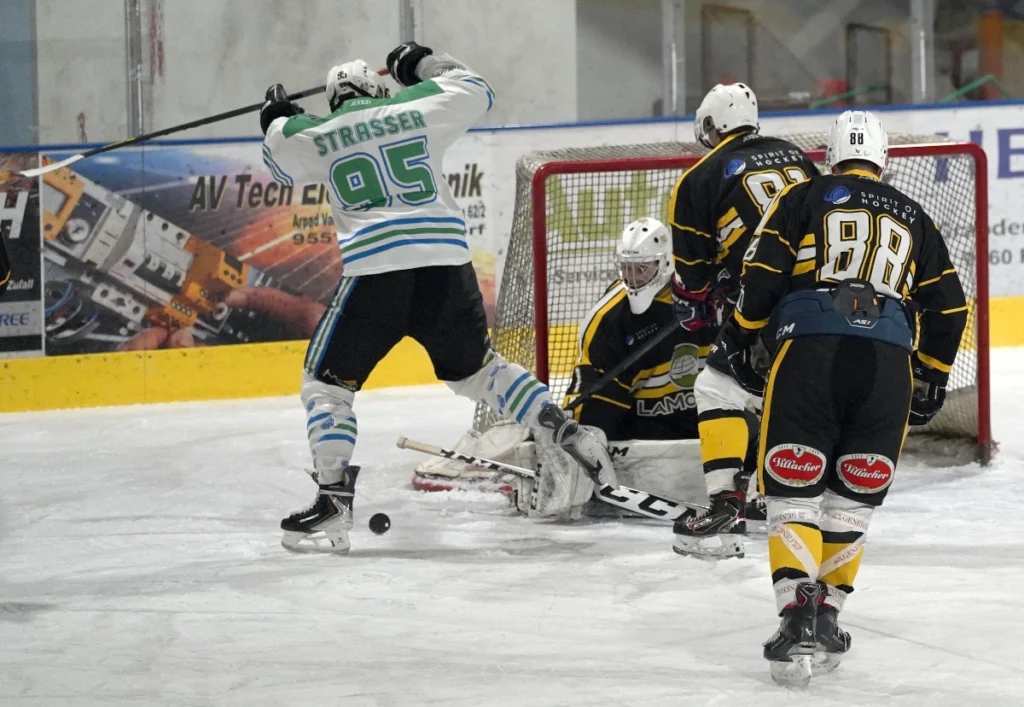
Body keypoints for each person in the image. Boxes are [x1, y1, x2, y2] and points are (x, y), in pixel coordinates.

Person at [259, 44, 616, 553]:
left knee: (327, 386)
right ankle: (568, 435)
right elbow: (476, 88)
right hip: (445, 263)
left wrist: (275, 115)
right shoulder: (413, 106)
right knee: (479, 371)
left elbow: (279, 157)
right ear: (379, 89)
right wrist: (418, 63)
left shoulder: (315, 133)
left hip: (376, 269)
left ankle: (334, 500)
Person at [710, 110, 967, 685]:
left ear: (829, 155)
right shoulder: (916, 215)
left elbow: (763, 277)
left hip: (810, 355)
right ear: (883, 160)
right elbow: (949, 308)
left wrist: (738, 339)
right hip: (888, 369)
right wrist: (931, 375)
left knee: (793, 487)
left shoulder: (804, 196)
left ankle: (797, 615)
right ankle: (827, 614)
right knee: (853, 499)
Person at [667, 83, 820, 559]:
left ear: (711, 127)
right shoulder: (799, 157)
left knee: (716, 386)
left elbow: (691, 281)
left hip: (764, 303)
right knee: (780, 395)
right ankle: (776, 497)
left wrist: (698, 306)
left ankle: (724, 504)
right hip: (826, 301)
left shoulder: (699, 177)